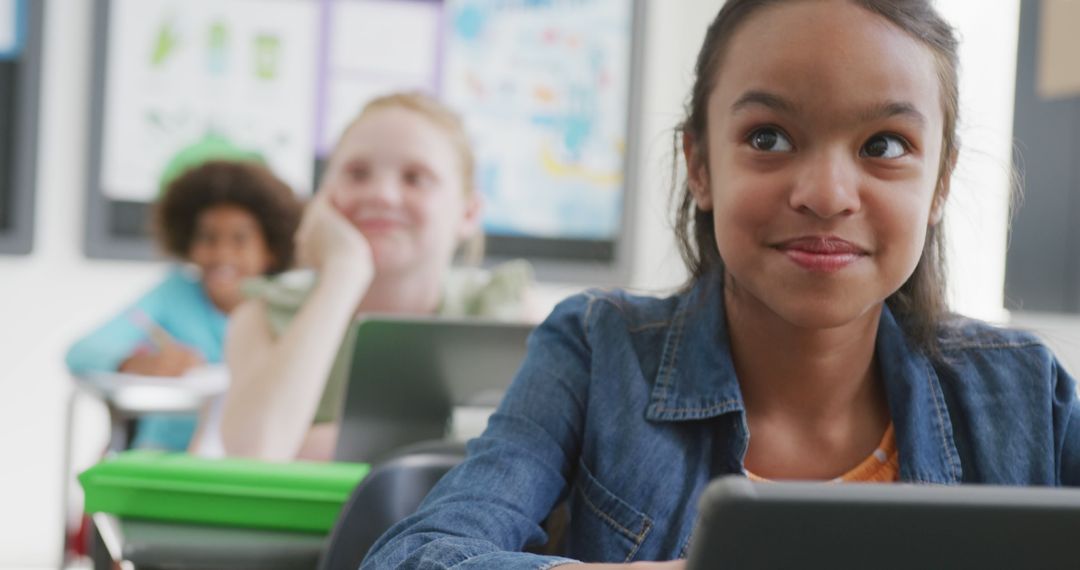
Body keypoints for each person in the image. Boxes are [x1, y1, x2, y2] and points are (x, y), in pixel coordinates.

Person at [361, 1, 1080, 568]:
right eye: (768, 137)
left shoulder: (1024, 393)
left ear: (940, 182)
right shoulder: (596, 351)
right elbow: (414, 559)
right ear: (699, 165)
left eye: (883, 146)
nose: (827, 193)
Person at [200, 92, 533, 462]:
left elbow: (527, 458)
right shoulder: (263, 314)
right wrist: (343, 271)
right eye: (357, 174)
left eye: (415, 178)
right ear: (323, 198)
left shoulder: (508, 311)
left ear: (468, 213)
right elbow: (254, 453)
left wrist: (310, 444)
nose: (382, 195)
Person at [66, 158, 302, 451]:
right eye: (208, 238)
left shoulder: (287, 307)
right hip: (164, 458)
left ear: (271, 251)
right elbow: (82, 351)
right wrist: (137, 363)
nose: (221, 254)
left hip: (250, 461)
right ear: (189, 244)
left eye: (239, 240)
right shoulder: (173, 295)